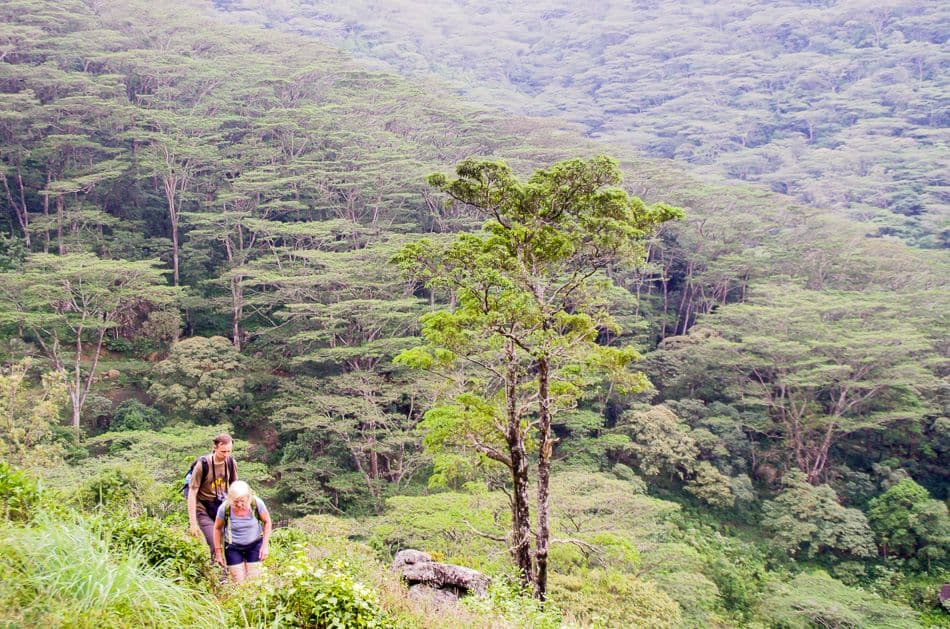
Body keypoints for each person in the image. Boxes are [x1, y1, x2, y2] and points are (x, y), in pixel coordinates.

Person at [188, 433, 237, 556]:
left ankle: (220, 566)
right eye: (223, 452)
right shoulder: (203, 465)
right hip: (203, 508)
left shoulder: (231, 463)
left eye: (229, 451)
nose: (226, 455)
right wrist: (193, 523)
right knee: (215, 544)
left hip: (221, 507)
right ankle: (218, 567)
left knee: (229, 544)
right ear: (215, 448)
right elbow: (192, 492)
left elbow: (235, 489)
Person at [213, 480, 272, 584]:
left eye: (242, 501)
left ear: (248, 498)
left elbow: (267, 521)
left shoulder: (256, 503)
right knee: (238, 583)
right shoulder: (224, 508)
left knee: (255, 581)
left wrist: (265, 546)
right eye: (235, 501)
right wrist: (218, 552)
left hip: (254, 544)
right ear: (230, 499)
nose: (239, 504)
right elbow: (217, 528)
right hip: (233, 547)